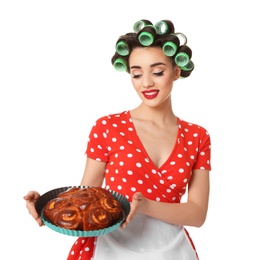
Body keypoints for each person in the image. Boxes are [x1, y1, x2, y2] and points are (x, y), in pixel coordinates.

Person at [24, 19, 211, 260]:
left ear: (176, 72)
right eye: (136, 74)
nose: (146, 83)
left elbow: (197, 214)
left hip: (173, 252)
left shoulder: (197, 136)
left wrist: (145, 205)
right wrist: (49, 207)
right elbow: (86, 195)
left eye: (157, 72)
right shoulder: (108, 127)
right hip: (110, 249)